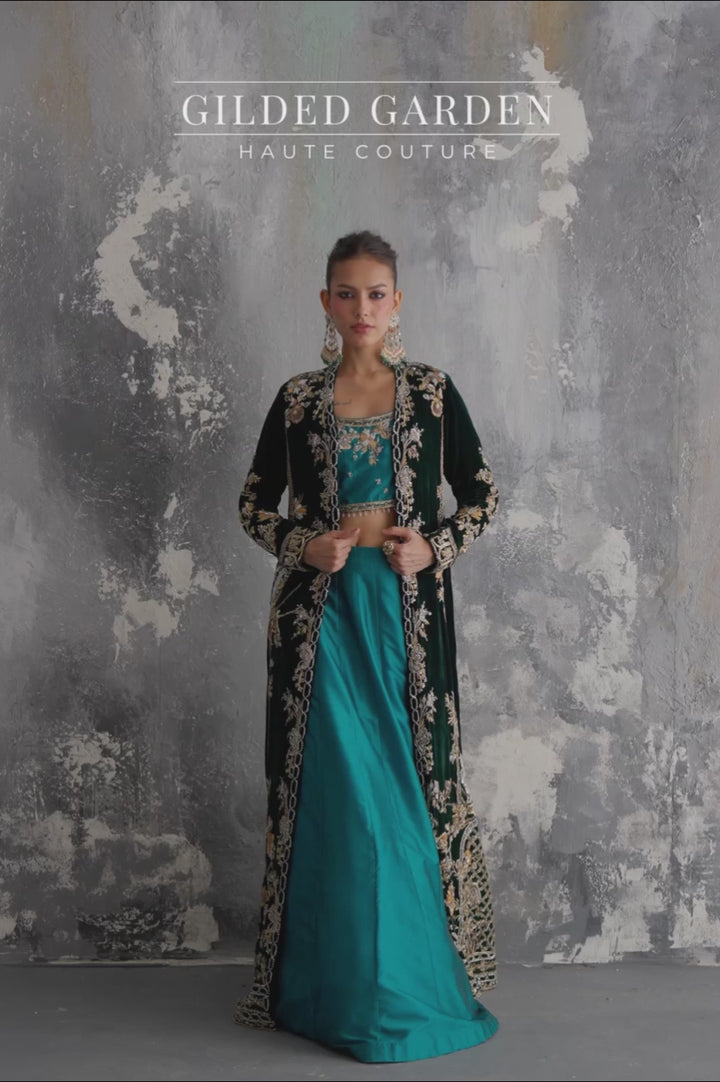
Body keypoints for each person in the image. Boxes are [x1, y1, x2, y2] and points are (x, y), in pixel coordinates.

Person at [233, 230, 501, 1063]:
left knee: (402, 793)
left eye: (376, 293)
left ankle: (409, 982)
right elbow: (252, 504)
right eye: (346, 293)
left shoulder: (431, 393)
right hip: (318, 624)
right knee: (341, 796)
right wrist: (301, 544)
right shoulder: (297, 400)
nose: (361, 308)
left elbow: (483, 494)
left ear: (397, 301)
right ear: (325, 302)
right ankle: (329, 988)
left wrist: (435, 546)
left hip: (405, 618)